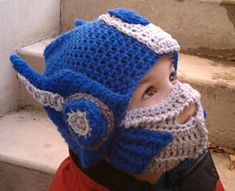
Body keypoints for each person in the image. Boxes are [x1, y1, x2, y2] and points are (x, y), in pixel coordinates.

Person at [10, 8, 224, 191]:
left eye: (172, 76)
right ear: (93, 124)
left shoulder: (191, 161)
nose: (184, 99)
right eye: (149, 91)